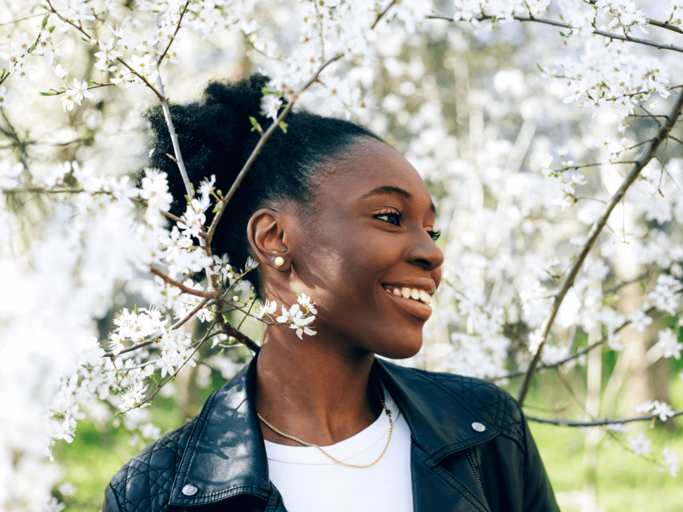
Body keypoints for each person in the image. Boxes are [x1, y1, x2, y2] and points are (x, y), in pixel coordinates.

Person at [102, 75, 559, 512]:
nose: (430, 253)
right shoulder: (149, 495)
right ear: (274, 238)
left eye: (431, 231)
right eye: (389, 216)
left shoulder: (488, 431)